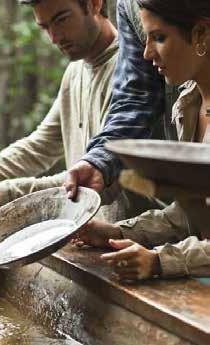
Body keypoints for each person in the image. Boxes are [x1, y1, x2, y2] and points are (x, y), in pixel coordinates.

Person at [0, 0, 135, 223]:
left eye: (61, 20)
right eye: (45, 27)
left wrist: (7, 194)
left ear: (94, 4)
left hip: (133, 242)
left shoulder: (131, 72)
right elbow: (40, 146)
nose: (54, 38)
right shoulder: (75, 70)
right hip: (88, 236)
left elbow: (98, 177)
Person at [73, 0, 210, 280]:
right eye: (145, 38)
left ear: (200, 34)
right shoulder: (188, 106)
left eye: (159, 38)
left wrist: (160, 261)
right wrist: (118, 232)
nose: (146, 54)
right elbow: (190, 214)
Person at [64, 0, 174, 200]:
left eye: (158, 37)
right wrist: (98, 161)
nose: (147, 53)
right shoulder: (128, 5)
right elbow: (137, 97)